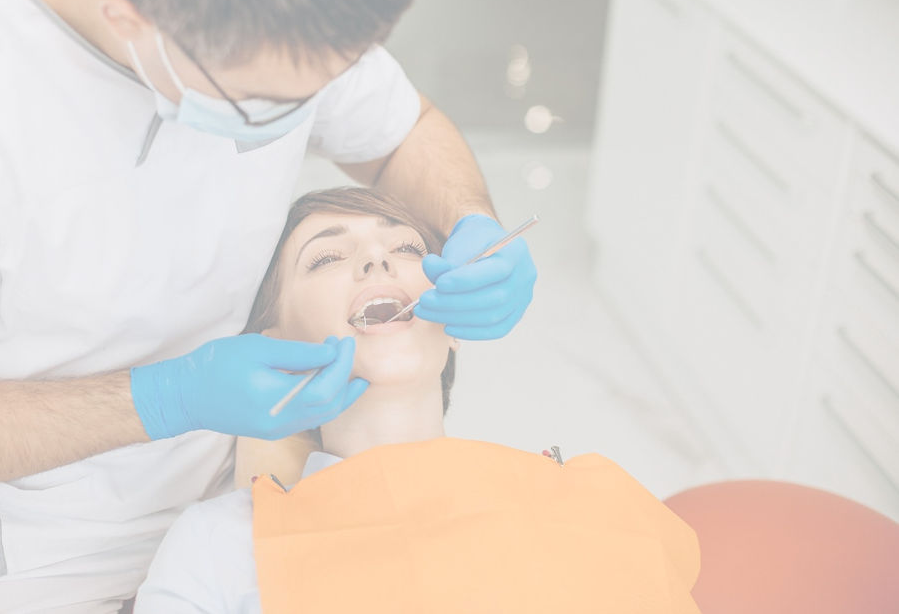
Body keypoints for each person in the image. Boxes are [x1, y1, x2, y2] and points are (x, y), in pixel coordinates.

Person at [0, 0, 538, 611]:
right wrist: (165, 398)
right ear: (131, 18)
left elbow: (400, 131)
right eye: (267, 105)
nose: (377, 263)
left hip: (243, 504)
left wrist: (473, 219)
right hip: (30, 567)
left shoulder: (278, 7)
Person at [134, 188, 700, 613]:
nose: (377, 261)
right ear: (274, 347)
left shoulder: (589, 497)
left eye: (405, 248)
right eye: (327, 258)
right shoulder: (221, 546)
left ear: (456, 320)